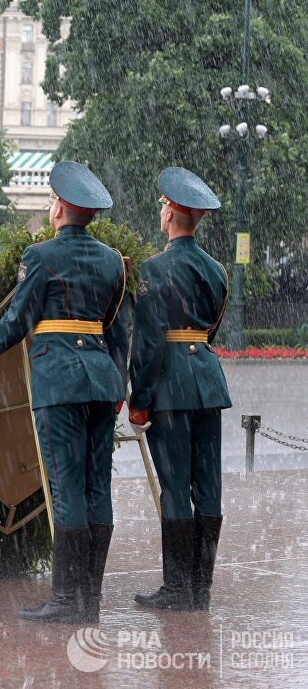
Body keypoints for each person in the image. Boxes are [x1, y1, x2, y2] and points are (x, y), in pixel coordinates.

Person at [0, 161, 128, 623]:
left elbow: (18, 321)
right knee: (96, 486)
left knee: (65, 489)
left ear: (60, 208)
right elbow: (112, 325)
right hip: (102, 379)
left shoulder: (40, 256)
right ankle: (91, 600)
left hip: (59, 378)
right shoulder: (112, 260)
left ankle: (67, 601)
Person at [129, 167, 232, 612]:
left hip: (170, 386)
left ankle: (177, 589)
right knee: (207, 486)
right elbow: (211, 330)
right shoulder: (216, 270)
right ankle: (200, 587)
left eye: (162, 206)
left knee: (174, 486)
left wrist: (139, 401)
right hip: (208, 383)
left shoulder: (153, 270)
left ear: (170, 213)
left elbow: (149, 344)